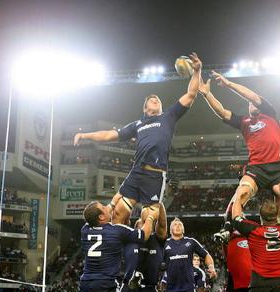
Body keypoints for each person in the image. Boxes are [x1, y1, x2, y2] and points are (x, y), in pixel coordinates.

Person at [73, 53, 202, 226]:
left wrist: (197, 71)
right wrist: (85, 135)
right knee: (119, 212)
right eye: (151, 100)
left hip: (154, 174)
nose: (155, 100)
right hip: (136, 172)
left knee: (148, 217)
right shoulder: (138, 124)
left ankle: (144, 249)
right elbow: (109, 135)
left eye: (157, 100)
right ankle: (120, 250)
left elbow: (191, 94)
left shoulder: (168, 117)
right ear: (145, 108)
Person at [198, 70, 280, 243]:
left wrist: (228, 84)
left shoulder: (270, 113)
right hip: (256, 169)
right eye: (249, 104)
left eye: (254, 102)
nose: (251, 104)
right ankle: (227, 228)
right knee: (242, 193)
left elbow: (252, 96)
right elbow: (222, 112)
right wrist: (207, 94)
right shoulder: (244, 122)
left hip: (277, 167)